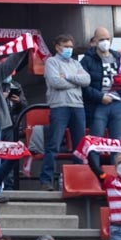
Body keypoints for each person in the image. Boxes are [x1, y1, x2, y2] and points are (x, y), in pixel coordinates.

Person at [40, 34, 90, 187]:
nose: (69, 49)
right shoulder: (51, 62)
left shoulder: (76, 63)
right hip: (59, 106)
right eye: (66, 46)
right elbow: (56, 82)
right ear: (57, 47)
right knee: (54, 144)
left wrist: (67, 76)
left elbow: (87, 80)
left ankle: (78, 180)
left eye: (70, 46)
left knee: (79, 145)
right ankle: (46, 180)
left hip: (77, 106)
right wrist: (76, 82)